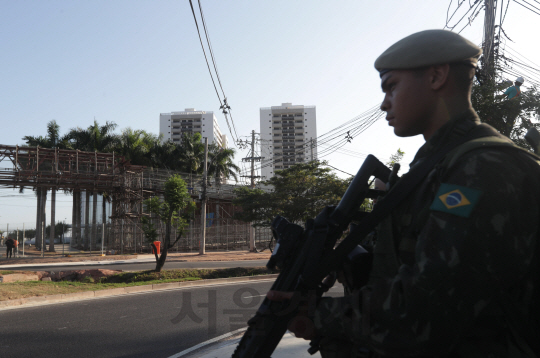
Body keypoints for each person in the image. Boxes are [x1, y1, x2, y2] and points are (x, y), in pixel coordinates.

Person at [268, 29, 540, 357]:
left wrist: (318, 314)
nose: (384, 103)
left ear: (437, 76)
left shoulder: (482, 167)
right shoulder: (437, 168)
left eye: (392, 86)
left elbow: (427, 311)